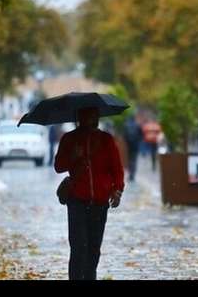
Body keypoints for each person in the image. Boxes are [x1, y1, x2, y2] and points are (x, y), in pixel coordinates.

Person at [54, 107, 124, 280]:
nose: (91, 118)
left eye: (94, 115)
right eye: (87, 115)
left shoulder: (106, 140)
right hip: (77, 201)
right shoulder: (69, 139)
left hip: (100, 203)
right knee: (78, 248)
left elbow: (117, 168)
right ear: (80, 117)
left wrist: (117, 190)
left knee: (93, 249)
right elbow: (58, 166)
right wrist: (74, 156)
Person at [123, 116, 143, 181]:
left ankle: (130, 174)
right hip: (136, 145)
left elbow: (124, 135)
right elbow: (141, 135)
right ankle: (133, 174)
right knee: (134, 160)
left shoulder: (126, 125)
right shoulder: (137, 125)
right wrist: (138, 141)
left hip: (129, 145)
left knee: (129, 159)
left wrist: (127, 142)